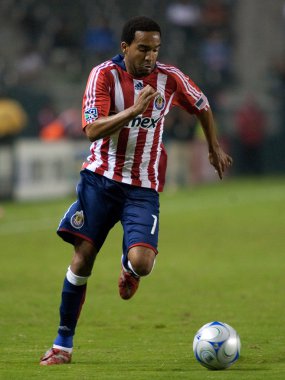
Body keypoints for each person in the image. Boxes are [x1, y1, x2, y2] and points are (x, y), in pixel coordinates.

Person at [40, 16, 232, 366]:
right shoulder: (103, 76)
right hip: (100, 180)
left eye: (156, 49)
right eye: (143, 48)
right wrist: (133, 110)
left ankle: (129, 269)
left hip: (143, 186)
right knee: (83, 257)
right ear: (125, 47)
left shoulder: (170, 78)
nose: (150, 56)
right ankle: (62, 344)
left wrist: (212, 146)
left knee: (143, 263)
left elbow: (202, 104)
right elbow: (92, 129)